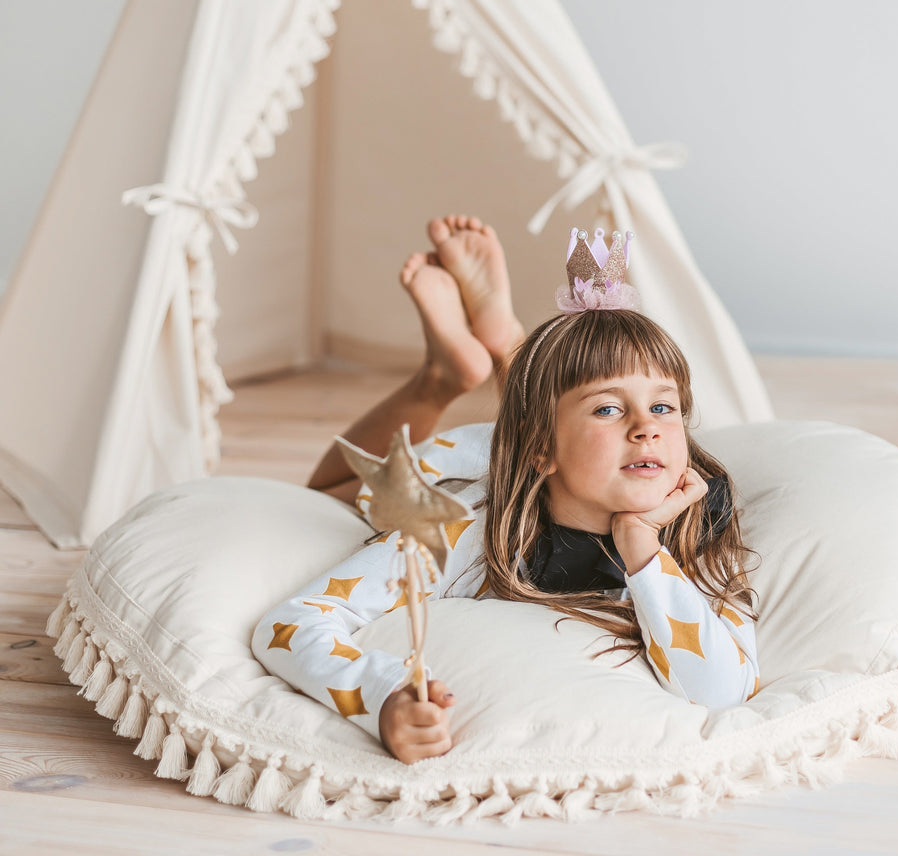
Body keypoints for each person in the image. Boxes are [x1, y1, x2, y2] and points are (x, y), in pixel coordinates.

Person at [252, 215, 758, 764]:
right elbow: (291, 622)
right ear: (540, 447)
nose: (647, 428)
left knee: (559, 415)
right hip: (466, 463)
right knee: (332, 493)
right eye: (609, 409)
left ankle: (509, 348)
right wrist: (380, 699)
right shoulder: (462, 529)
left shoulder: (698, 511)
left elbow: (722, 692)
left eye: (663, 405)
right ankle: (443, 377)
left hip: (554, 453)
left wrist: (642, 546)